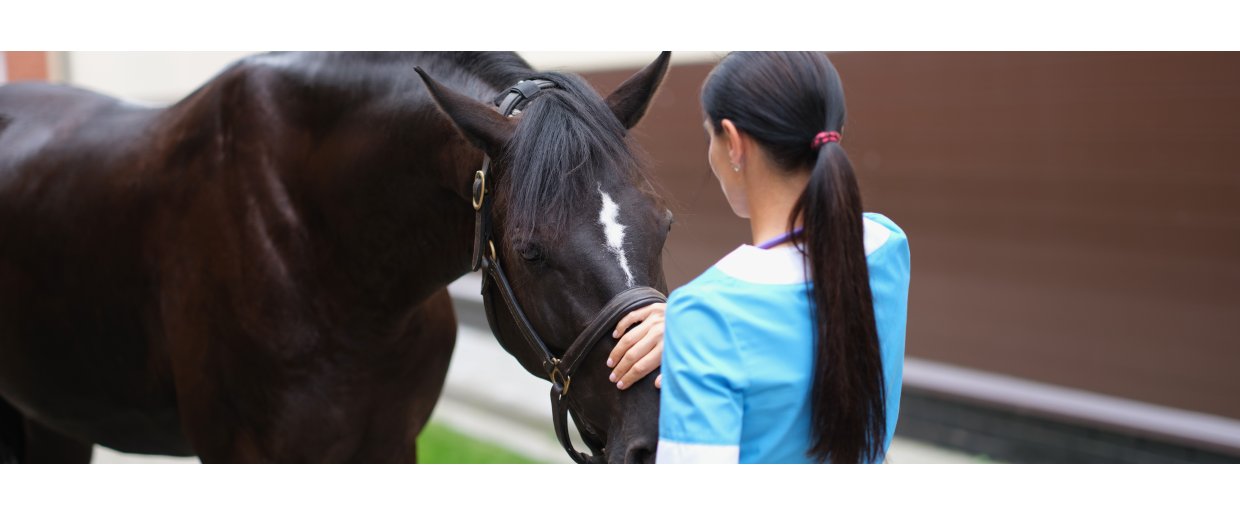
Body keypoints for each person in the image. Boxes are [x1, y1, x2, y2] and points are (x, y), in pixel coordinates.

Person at [605, 51, 910, 464]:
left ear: (733, 143)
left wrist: (695, 327)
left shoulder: (707, 316)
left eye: (709, 135)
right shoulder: (887, 247)